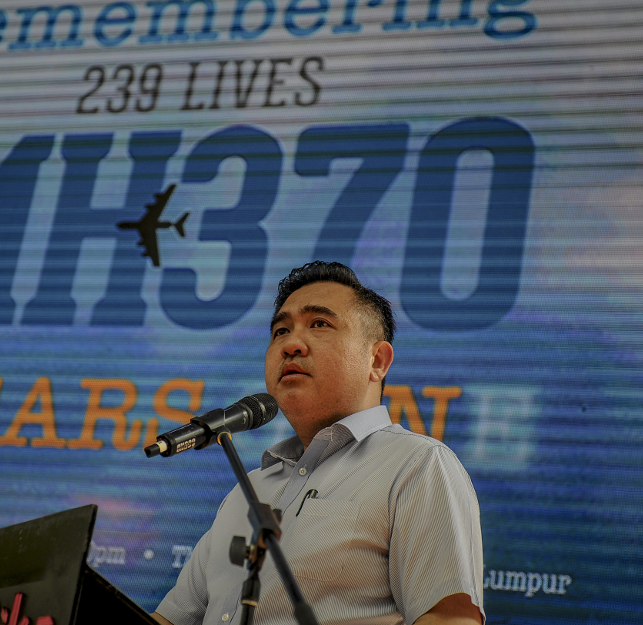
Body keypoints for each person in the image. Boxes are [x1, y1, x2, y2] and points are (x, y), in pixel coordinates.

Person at [153, 261, 484, 625]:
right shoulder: (250, 490)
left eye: (320, 324)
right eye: (280, 330)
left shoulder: (417, 465)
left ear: (376, 360)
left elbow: (449, 618)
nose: (290, 344)